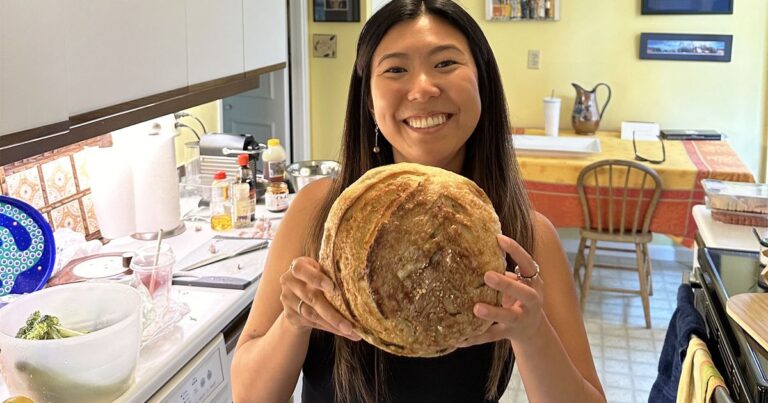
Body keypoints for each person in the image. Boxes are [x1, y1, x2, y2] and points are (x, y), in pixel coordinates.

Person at [231, 1, 605, 402]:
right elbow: (250, 397)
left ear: (482, 81)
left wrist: (532, 334)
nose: (423, 87)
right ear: (370, 101)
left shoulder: (526, 237)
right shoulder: (318, 212)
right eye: (395, 69)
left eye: (445, 63)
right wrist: (294, 320)